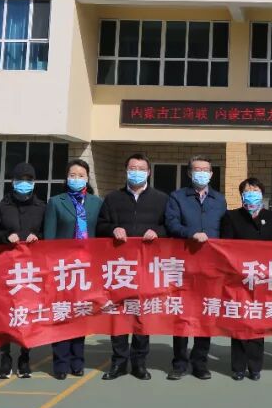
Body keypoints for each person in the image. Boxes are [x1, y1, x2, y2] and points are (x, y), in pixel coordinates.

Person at [97, 153, 169, 381]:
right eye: (132, 168)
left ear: (149, 172)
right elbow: (100, 226)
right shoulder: (112, 198)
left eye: (141, 168)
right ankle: (118, 363)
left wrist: (158, 232)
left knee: (142, 314)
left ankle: (139, 363)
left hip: (147, 266)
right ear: (126, 170)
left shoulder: (161, 199)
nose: (136, 172)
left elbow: (169, 226)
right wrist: (112, 229)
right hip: (120, 268)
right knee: (118, 314)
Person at [0, 162, 46, 379]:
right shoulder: (1, 207)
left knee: (29, 312)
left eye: (28, 180)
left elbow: (50, 233)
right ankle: (5, 356)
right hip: (6, 269)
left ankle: (25, 356)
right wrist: (5, 236)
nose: (24, 184)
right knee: (6, 312)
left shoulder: (42, 208)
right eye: (20, 180)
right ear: (12, 182)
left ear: (34, 183)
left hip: (32, 270)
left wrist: (39, 237)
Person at [164, 156, 227, 381]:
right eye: (197, 169)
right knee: (181, 314)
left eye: (205, 170)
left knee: (205, 314)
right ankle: (179, 363)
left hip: (210, 266)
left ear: (211, 174)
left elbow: (224, 228)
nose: (201, 173)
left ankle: (200, 362)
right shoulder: (178, 197)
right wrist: (191, 234)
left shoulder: (219, 199)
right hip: (184, 264)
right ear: (190, 173)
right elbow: (171, 223)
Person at [43, 159, 103, 380]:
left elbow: (101, 235)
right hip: (62, 268)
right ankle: (60, 363)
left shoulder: (97, 203)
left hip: (86, 269)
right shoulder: (56, 202)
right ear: (66, 178)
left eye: (81, 175)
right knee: (61, 314)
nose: (76, 179)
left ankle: (77, 362)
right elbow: (49, 238)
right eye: (72, 175)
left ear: (87, 178)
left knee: (80, 314)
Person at [221, 178, 272, 382]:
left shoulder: (270, 216)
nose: (251, 193)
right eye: (248, 190)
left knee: (257, 321)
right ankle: (238, 367)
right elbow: (226, 246)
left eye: (255, 190)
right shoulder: (231, 216)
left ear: (262, 194)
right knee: (239, 321)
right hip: (239, 277)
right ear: (241, 195)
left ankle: (255, 366)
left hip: (262, 277)